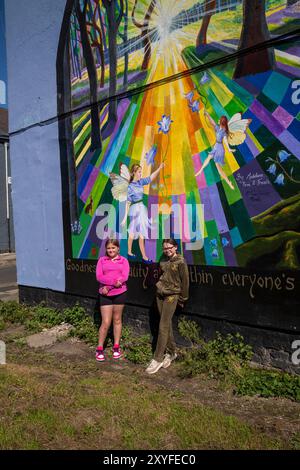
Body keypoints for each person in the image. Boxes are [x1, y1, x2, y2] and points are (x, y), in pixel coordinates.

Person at [145, 239, 189, 374]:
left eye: (169, 247)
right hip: (160, 294)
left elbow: (185, 282)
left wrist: (183, 298)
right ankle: (172, 352)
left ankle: (157, 358)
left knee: (163, 326)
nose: (167, 250)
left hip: (172, 295)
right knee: (166, 324)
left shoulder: (181, 262)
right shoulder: (163, 260)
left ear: (175, 247)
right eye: (164, 248)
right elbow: (162, 275)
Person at [121, 163, 164, 264]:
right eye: (139, 172)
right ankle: (129, 252)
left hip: (142, 209)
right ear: (134, 172)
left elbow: (150, 178)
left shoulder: (141, 182)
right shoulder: (130, 187)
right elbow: (127, 203)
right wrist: (124, 218)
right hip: (135, 209)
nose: (141, 173)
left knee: (142, 233)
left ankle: (144, 256)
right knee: (132, 231)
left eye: (141, 172)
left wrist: (159, 168)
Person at [95, 239, 130, 362]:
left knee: (117, 320)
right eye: (109, 248)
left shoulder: (124, 261)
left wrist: (110, 285)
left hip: (120, 293)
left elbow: (124, 276)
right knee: (106, 322)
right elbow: (99, 276)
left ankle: (116, 347)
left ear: (118, 249)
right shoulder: (102, 260)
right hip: (105, 294)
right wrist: (113, 283)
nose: (111, 250)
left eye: (113, 248)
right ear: (106, 249)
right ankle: (99, 348)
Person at [195, 110, 236, 190]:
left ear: (221, 122)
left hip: (219, 149)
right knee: (208, 158)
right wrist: (207, 114)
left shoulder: (223, 131)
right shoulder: (218, 128)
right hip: (216, 146)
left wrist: (229, 149)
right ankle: (200, 170)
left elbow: (225, 141)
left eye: (220, 120)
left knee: (219, 169)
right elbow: (212, 122)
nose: (218, 121)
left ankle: (228, 183)